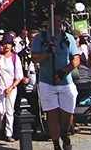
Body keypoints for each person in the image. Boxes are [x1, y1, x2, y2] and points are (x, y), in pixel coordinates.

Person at [31, 13, 80, 150]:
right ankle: (55, 143)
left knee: (67, 113)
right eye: (53, 21)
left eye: (58, 21)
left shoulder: (68, 38)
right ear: (48, 22)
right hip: (47, 81)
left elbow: (76, 60)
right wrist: (46, 52)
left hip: (65, 82)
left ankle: (64, 132)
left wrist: (64, 71)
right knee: (52, 113)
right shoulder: (40, 38)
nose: (56, 23)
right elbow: (34, 58)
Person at [0, 34, 23, 142]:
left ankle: (9, 133)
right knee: (1, 110)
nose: (7, 46)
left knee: (10, 110)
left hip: (11, 87)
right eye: (5, 43)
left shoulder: (15, 58)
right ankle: (0, 128)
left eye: (9, 43)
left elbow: (19, 76)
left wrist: (11, 87)